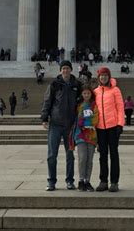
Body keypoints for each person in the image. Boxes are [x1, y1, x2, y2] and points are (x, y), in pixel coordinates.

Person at [41, 60, 81, 191]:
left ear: (71, 70)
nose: (65, 71)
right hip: (56, 124)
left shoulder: (77, 84)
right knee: (52, 155)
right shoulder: (54, 84)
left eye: (68, 68)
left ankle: (70, 180)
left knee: (70, 155)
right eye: (63, 68)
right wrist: (44, 117)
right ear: (60, 70)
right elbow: (48, 101)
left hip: (70, 124)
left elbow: (82, 101)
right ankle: (51, 181)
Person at [94, 66, 125, 192]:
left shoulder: (115, 90)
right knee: (102, 155)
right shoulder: (95, 91)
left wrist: (120, 124)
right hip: (100, 127)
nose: (103, 77)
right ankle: (103, 181)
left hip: (113, 126)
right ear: (98, 77)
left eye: (106, 75)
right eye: (101, 75)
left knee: (114, 154)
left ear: (109, 76)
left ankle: (114, 182)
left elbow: (120, 107)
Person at [69, 85, 99, 192]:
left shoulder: (94, 105)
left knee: (89, 160)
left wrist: (87, 123)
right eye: (84, 93)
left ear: (91, 94)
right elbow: (78, 119)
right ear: (82, 94)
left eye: (88, 93)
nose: (86, 95)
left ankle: (87, 181)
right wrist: (86, 123)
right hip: (80, 134)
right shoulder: (79, 106)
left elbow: (95, 118)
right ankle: (81, 180)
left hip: (91, 135)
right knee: (82, 158)